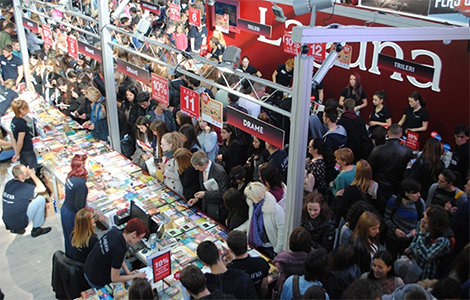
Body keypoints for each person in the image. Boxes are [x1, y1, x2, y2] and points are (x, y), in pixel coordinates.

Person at [84, 218, 149, 289]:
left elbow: (118, 258)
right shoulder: (119, 250)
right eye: (140, 238)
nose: (139, 240)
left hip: (89, 267)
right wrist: (135, 276)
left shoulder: (115, 232)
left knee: (128, 267)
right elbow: (114, 278)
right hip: (96, 279)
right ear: (133, 234)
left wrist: (128, 273)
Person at [235, 182, 285, 259]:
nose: (248, 199)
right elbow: (251, 221)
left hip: (270, 246)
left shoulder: (275, 209)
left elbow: (282, 230)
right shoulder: (253, 204)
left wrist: (277, 250)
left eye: (250, 197)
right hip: (257, 243)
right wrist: (238, 230)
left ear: (257, 196)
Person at [368, 124, 414, 200]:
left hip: (379, 185)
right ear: (400, 134)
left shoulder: (377, 149)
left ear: (388, 133)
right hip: (397, 186)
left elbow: (370, 167)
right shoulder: (407, 151)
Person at [2, 164, 51, 237]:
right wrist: (33, 175)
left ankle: (16, 229)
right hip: (20, 222)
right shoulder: (23, 187)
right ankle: (36, 230)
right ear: (20, 176)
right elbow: (42, 189)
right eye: (26, 171)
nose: (28, 171)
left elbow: (19, 199)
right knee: (41, 199)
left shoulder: (9, 183)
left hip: (7, 221)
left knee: (32, 200)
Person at [405, 205, 452, 280]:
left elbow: (426, 256)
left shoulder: (442, 240)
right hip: (413, 266)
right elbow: (415, 239)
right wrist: (410, 249)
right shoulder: (422, 223)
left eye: (426, 214)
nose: (424, 213)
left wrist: (422, 234)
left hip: (426, 274)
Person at [383, 178, 425, 260]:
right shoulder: (394, 201)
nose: (419, 195)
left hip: (409, 241)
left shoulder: (420, 203)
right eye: (415, 192)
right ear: (406, 193)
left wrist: (416, 230)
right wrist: (395, 229)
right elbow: (386, 218)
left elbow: (423, 221)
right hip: (393, 238)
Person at [226, 230, 270, 298]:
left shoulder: (229, 270)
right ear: (247, 244)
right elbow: (264, 287)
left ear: (230, 250)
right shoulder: (261, 262)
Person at [188, 150, 229, 223]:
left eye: (197, 167)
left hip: (216, 208)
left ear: (205, 165)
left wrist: (204, 194)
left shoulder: (219, 172)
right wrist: (197, 199)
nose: (196, 169)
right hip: (205, 206)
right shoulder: (202, 170)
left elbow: (223, 193)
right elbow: (203, 188)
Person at [61, 154, 89, 259]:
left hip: (65, 209)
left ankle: (69, 256)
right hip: (72, 214)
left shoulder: (71, 176)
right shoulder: (81, 183)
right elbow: (79, 206)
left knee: (68, 237)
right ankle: (74, 262)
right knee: (75, 239)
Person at [272, 227, 312, 299]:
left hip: (286, 290)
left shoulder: (283, 260)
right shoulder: (313, 257)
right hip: (306, 291)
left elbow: (276, 269)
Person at [10, 100, 38, 169]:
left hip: (21, 151)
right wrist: (17, 154)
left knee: (24, 167)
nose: (28, 110)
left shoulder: (14, 120)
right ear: (21, 110)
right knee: (32, 169)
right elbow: (20, 142)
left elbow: (12, 136)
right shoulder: (21, 124)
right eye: (27, 108)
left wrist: (16, 151)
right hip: (27, 150)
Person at [449, 125, 469, 189]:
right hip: (452, 177)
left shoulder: (468, 151)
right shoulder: (457, 146)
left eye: (462, 137)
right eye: (457, 136)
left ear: (467, 137)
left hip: (460, 183)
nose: (459, 139)